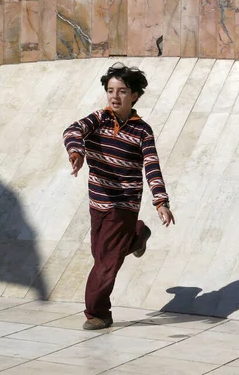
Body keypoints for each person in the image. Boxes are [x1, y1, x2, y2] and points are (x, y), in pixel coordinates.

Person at [63, 62, 175, 330]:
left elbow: (152, 166)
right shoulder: (98, 119)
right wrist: (76, 152)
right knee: (101, 256)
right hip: (97, 202)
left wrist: (160, 201)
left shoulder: (142, 131)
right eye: (110, 90)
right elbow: (72, 130)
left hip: (124, 204)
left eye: (122, 91)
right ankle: (137, 236)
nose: (115, 96)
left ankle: (98, 314)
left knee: (105, 264)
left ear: (134, 95)